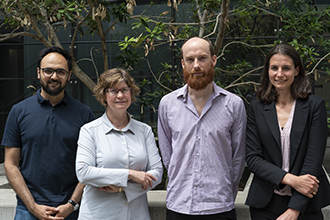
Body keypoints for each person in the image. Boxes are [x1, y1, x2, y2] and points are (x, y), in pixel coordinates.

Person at [157, 37, 247, 220]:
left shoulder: (234, 104)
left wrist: (226, 193)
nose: (196, 65)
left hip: (220, 207)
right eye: (190, 60)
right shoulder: (167, 104)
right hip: (179, 205)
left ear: (213, 60)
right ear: (183, 64)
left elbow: (238, 158)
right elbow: (168, 156)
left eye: (202, 58)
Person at [2, 46, 94, 220]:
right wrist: (32, 206)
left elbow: (90, 164)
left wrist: (72, 204)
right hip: (27, 209)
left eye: (60, 72)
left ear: (69, 74)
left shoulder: (84, 113)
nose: (54, 76)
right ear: (38, 72)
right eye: (48, 71)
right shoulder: (18, 111)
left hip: (71, 210)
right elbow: (10, 164)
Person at [245, 44, 330, 220]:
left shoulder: (315, 106)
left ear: (297, 70)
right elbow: (253, 158)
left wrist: (294, 210)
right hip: (264, 204)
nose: (279, 74)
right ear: (267, 71)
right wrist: (291, 179)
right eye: (274, 68)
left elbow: (313, 161)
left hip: (305, 206)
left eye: (286, 68)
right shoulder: (256, 108)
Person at [75, 68, 163, 220]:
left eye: (124, 90)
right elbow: (83, 172)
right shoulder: (89, 131)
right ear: (104, 95)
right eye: (113, 91)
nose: (120, 95)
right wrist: (130, 174)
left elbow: (157, 173)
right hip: (98, 215)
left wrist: (122, 188)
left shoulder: (144, 131)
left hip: (136, 215)